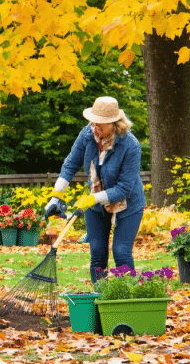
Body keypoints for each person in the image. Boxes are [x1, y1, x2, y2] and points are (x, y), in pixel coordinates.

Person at [45, 96, 145, 283]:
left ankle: (128, 299)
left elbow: (124, 188)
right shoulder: (88, 134)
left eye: (100, 123)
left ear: (114, 123)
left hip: (128, 203)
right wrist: (56, 196)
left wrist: (93, 198)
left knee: (121, 252)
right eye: (93, 121)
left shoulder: (131, 145)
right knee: (98, 254)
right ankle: (100, 299)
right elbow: (70, 164)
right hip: (96, 201)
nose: (94, 126)